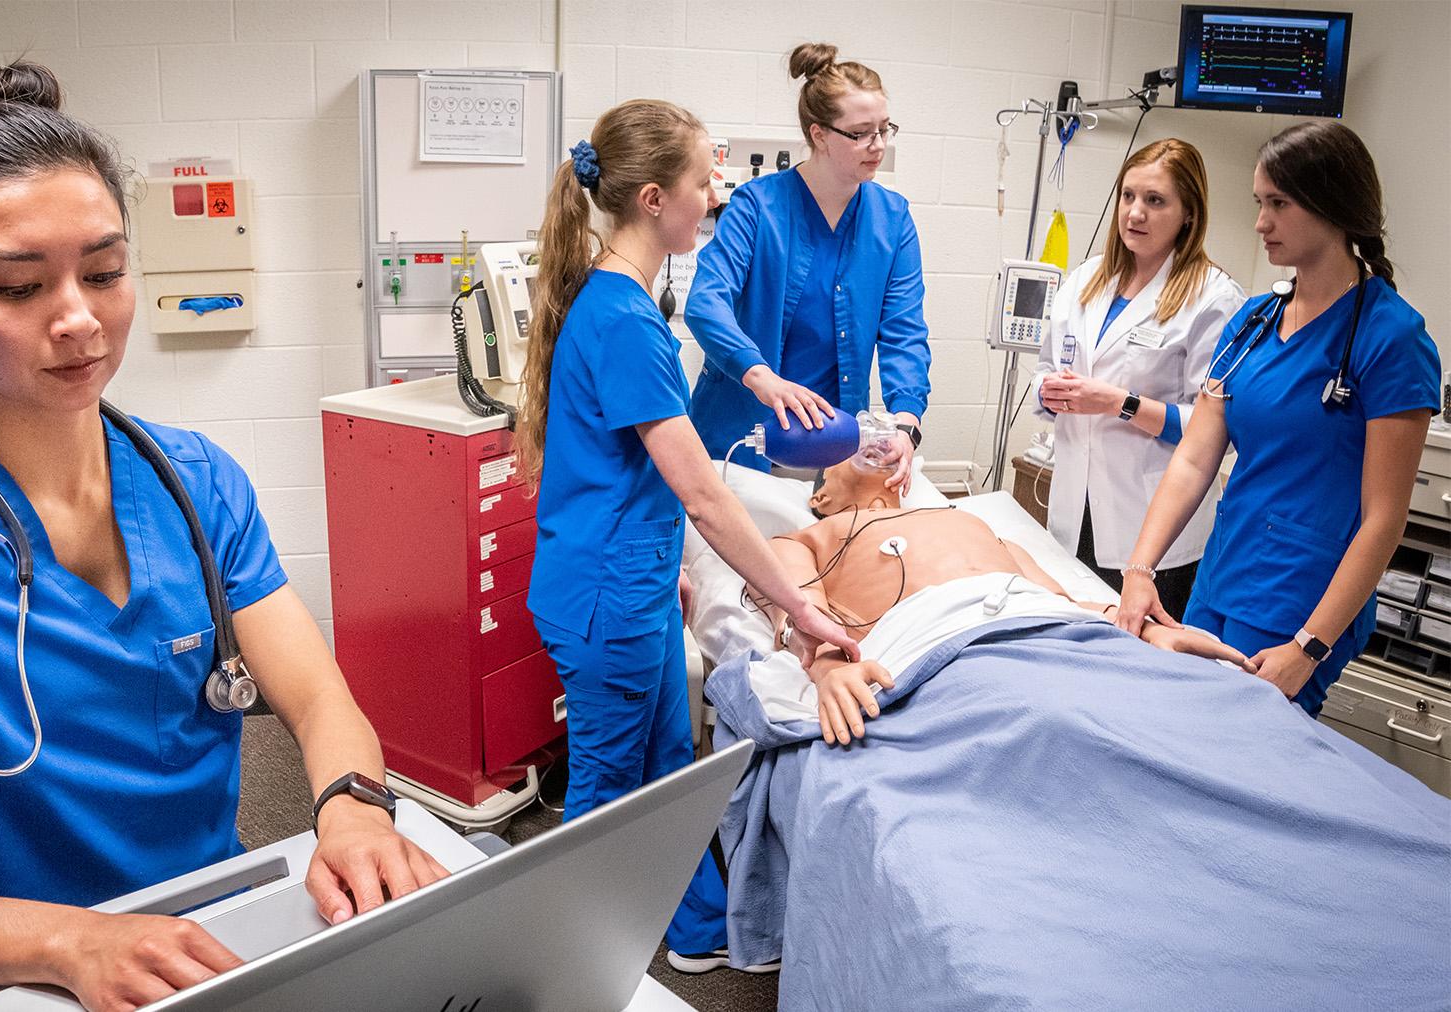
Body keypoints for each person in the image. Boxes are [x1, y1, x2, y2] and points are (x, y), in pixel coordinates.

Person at [0, 63, 446, 1012]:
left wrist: (353, 809)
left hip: (208, 931)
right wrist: (68, 943)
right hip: (4, 963)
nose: (79, 317)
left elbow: (321, 699)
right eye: (17, 286)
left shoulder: (199, 484)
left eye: (106, 270)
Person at [515, 98, 864, 975]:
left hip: (623, 582)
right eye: (705, 176)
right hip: (604, 599)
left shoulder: (613, 299)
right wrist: (800, 609)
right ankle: (561, 964)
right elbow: (704, 496)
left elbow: (614, 474)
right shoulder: (623, 319)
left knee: (674, 761)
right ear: (650, 200)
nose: (718, 190)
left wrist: (663, 564)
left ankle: (698, 926)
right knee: (605, 788)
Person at [1115, 121, 1440, 717]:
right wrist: (1141, 568)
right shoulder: (1255, 321)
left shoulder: (1391, 338)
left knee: (1233, 761)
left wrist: (1309, 647)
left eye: (1278, 205)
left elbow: (1384, 518)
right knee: (1179, 735)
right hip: (1222, 577)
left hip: (1301, 603)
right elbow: (1194, 457)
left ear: (1333, 206)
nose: (1260, 222)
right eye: (1260, 203)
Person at [751, 453, 1250, 744]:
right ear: (820, 496)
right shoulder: (812, 534)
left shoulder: (969, 520)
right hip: (941, 643)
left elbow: (1060, 600)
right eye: (848, 451)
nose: (868, 446)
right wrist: (828, 671)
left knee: (1180, 726)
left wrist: (1145, 630)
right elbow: (800, 614)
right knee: (1055, 730)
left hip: (1045, 626)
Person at [685, 42, 930, 494]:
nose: (878, 145)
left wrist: (905, 423)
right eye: (860, 133)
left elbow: (904, 334)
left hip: (832, 449)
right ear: (819, 134)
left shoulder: (892, 220)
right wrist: (762, 379)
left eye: (884, 129)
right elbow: (706, 303)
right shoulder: (757, 207)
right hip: (740, 445)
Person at [1027, 139, 1245, 618]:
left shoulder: (1213, 299)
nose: (1135, 213)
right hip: (1072, 511)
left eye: (1155, 201)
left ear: (1189, 212)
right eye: (1128, 196)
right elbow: (1046, 368)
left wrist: (1119, 403)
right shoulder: (1085, 280)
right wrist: (1049, 392)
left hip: (1153, 531)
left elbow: (1217, 433)